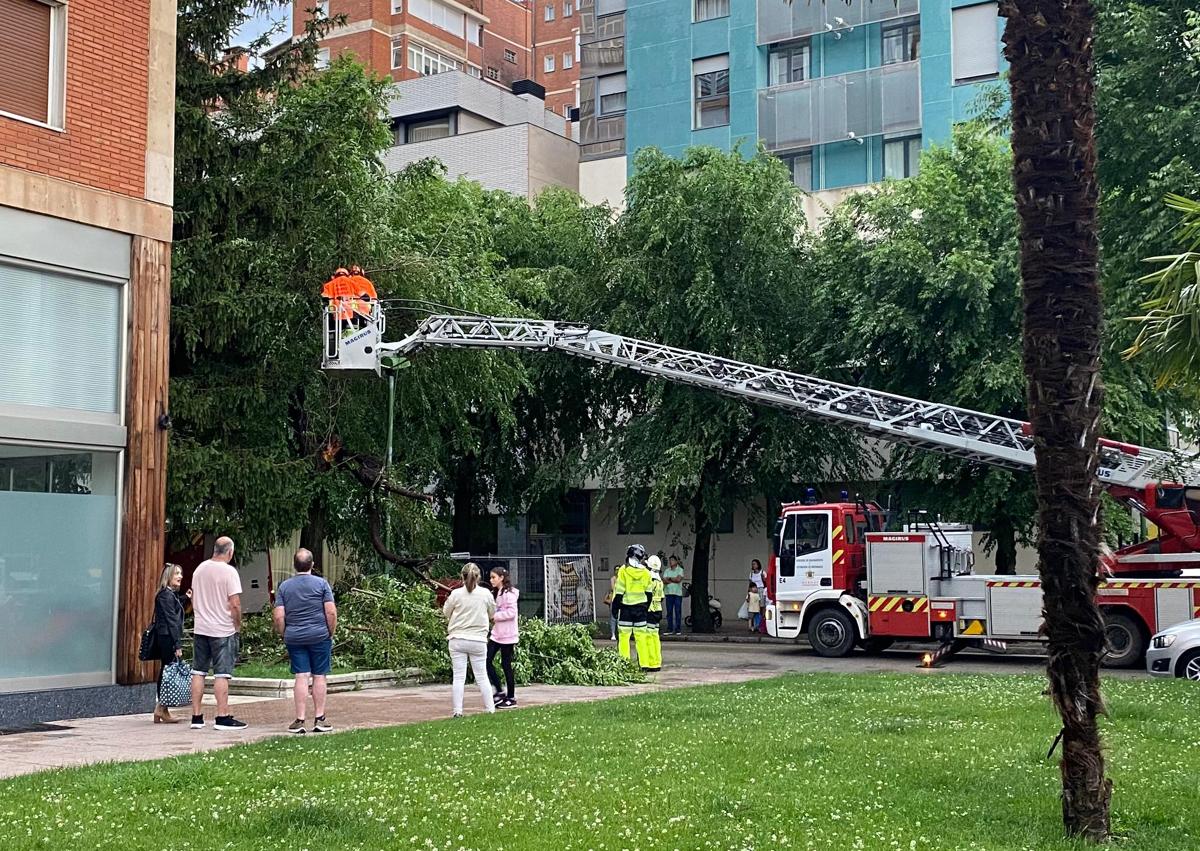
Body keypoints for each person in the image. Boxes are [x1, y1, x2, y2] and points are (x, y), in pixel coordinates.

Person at [273, 548, 337, 734]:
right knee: (319, 675)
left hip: (295, 636)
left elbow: (278, 616)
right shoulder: (322, 584)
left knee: (301, 675)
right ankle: (320, 718)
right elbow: (331, 612)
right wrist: (329, 632)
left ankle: (300, 720)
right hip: (319, 635)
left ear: (294, 565)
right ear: (312, 564)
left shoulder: (285, 587)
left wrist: (285, 633)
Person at [189, 536, 247, 731]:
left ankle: (196, 716)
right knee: (222, 673)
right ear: (230, 552)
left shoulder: (199, 570)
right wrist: (237, 624)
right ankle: (222, 716)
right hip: (222, 629)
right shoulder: (229, 572)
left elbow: (194, 597)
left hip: (201, 627)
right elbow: (235, 603)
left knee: (198, 671)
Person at [443, 562, 496, 718]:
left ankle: (458, 711)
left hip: (457, 638)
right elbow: (492, 613)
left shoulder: (455, 594)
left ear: (462, 576)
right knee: (482, 676)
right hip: (478, 639)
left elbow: (446, 612)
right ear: (479, 577)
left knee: (459, 677)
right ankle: (490, 709)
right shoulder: (486, 594)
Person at [151, 563, 186, 724]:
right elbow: (172, 620)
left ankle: (162, 708)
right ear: (168, 576)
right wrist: (177, 644)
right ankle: (161, 708)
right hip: (166, 638)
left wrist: (186, 599)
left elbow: (175, 611)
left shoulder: (170, 595)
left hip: (166, 637)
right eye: (176, 573)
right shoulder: (165, 595)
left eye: (181, 573)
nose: (180, 576)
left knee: (166, 672)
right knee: (168, 672)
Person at [612, 544, 653, 667]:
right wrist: (645, 608)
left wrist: (615, 609)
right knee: (641, 638)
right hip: (641, 609)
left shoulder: (623, 571)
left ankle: (624, 664)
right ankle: (644, 664)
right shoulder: (646, 573)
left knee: (624, 638)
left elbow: (619, 593)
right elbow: (649, 594)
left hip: (626, 609)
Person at [487, 566, 519, 708]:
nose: (491, 580)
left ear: (501, 578)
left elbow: (511, 612)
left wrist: (495, 616)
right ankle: (499, 691)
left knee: (506, 665)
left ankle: (511, 697)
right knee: (486, 661)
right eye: (490, 577)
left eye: (494, 577)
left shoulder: (509, 593)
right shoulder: (498, 592)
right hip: (497, 634)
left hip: (507, 635)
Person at [643, 555, 665, 672]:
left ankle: (650, 663)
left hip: (649, 610)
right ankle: (657, 661)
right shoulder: (660, 581)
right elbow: (661, 598)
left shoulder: (649, 580)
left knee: (648, 637)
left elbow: (647, 596)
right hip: (658, 609)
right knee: (655, 637)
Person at [663, 554, 685, 636]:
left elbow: (678, 579)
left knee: (677, 611)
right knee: (669, 612)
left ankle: (678, 629)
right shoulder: (667, 570)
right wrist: (673, 579)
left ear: (676, 561)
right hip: (668, 593)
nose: (670, 562)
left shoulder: (680, 570)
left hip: (677, 594)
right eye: (670, 560)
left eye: (672, 560)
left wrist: (669, 579)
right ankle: (669, 628)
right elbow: (664, 580)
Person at [749, 558, 767, 635]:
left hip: (761, 590)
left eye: (755, 564)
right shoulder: (751, 574)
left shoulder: (763, 572)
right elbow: (750, 584)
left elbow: (766, 582)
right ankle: (754, 625)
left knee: (761, 607)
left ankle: (761, 624)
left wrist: (763, 578)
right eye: (752, 564)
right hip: (753, 592)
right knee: (754, 608)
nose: (753, 565)